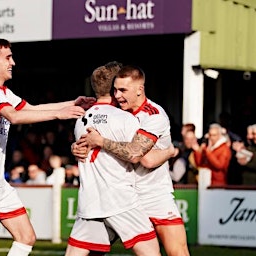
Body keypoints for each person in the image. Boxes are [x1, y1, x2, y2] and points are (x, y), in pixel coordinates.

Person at [0, 37, 93, 256]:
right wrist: (59, 113)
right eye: (8, 57)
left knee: (26, 237)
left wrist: (72, 104)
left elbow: (31, 108)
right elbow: (15, 116)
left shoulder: (1, 91)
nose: (13, 62)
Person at [73, 65, 189, 256]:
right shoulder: (116, 112)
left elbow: (145, 159)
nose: (117, 96)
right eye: (115, 90)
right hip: (121, 195)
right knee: (94, 251)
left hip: (153, 194)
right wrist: (76, 146)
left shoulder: (153, 115)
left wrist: (101, 141)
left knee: (177, 251)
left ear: (139, 90)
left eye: (123, 90)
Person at [66, 61, 161, 256]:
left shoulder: (82, 119)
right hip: (120, 200)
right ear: (114, 88)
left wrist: (74, 148)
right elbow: (141, 155)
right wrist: (170, 152)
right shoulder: (125, 118)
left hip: (90, 202)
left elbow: (82, 149)